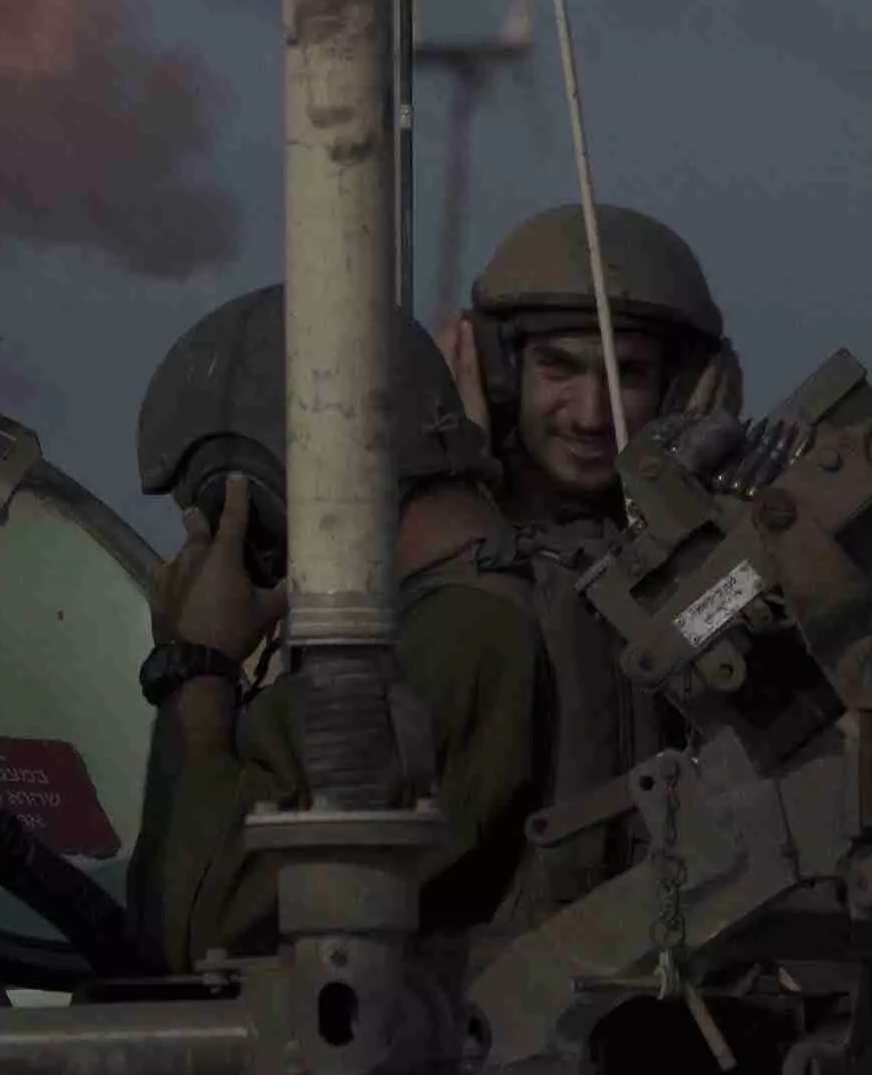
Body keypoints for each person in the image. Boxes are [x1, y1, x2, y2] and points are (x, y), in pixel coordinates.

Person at [125, 284, 558, 970]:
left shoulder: (446, 644)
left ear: (256, 503)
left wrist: (197, 663)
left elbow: (197, 933)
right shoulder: (500, 598)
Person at [438, 202, 738, 533]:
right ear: (498, 373)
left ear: (679, 390)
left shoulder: (738, 534)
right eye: (559, 368)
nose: (590, 417)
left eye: (628, 374)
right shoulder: (388, 531)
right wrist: (460, 495)